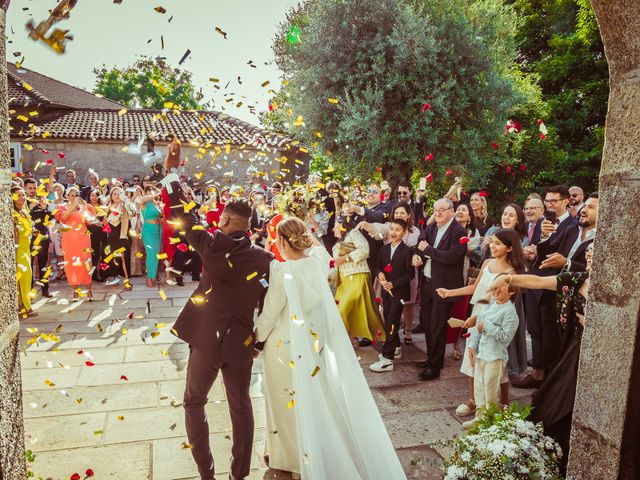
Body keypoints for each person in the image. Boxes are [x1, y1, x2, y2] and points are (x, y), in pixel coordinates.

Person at [256, 217, 407, 480]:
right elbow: (317, 249)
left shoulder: (281, 273)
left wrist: (255, 338)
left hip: (283, 345)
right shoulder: (316, 263)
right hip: (313, 341)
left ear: (280, 241)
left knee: (285, 400)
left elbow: (269, 315)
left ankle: (291, 458)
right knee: (312, 395)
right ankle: (314, 446)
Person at [162, 175, 273, 480]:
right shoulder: (266, 259)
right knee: (242, 408)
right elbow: (268, 303)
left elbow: (184, 218)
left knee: (194, 401)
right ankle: (239, 475)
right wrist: (258, 342)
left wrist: (171, 178)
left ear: (224, 219)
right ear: (249, 226)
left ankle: (207, 475)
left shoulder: (211, 246)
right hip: (241, 344)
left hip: (206, 343)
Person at [490, 243, 594, 473]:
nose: (589, 252)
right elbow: (538, 282)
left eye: (595, 249)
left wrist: (594, 326)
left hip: (594, 354)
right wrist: (508, 280)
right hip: (574, 349)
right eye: (589, 249)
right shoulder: (576, 278)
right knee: (555, 397)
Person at [437, 228, 528, 418]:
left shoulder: (513, 272)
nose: (492, 246)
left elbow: (506, 301)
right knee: (472, 359)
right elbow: (475, 287)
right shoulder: (486, 262)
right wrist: (450, 292)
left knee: (495, 361)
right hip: (478, 311)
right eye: (492, 242)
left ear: (510, 248)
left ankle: (503, 403)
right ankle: (474, 401)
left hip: (496, 317)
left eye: (498, 244)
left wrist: (482, 318)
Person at [514, 185, 578, 388]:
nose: (550, 204)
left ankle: (548, 382)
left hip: (552, 287)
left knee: (549, 335)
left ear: (566, 201)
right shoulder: (543, 223)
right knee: (534, 331)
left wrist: (542, 245)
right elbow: (538, 252)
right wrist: (536, 245)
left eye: (554, 201)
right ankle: (537, 374)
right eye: (547, 201)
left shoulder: (572, 225)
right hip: (535, 282)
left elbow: (559, 256)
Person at [413, 198, 467, 381]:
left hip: (445, 286)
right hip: (428, 282)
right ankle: (431, 358)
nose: (437, 213)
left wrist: (427, 250)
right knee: (426, 322)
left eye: (441, 210)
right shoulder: (433, 227)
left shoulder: (459, 231)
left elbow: (452, 257)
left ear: (451, 211)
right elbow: (421, 240)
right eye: (435, 210)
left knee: (437, 325)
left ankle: (435, 366)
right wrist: (418, 255)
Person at [357, 202, 421, 344]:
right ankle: (390, 336)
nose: (399, 215)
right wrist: (366, 225)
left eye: (402, 213)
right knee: (386, 306)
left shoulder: (415, 231)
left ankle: (408, 331)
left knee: (408, 304)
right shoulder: (388, 227)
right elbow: (377, 229)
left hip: (405, 273)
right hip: (387, 274)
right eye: (397, 213)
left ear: (409, 215)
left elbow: (415, 249)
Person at [465, 275, 519, 429]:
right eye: (494, 287)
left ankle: (490, 422)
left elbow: (505, 337)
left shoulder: (510, 313)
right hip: (482, 354)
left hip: (495, 357)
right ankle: (480, 417)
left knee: (491, 392)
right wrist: (472, 346)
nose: (495, 291)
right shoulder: (490, 305)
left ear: (511, 291)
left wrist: (487, 325)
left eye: (500, 288)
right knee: (479, 389)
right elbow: (478, 327)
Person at [369, 218, 415, 372]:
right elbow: (377, 266)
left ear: (404, 232)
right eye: (391, 229)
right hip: (386, 292)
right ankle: (395, 347)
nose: (393, 232)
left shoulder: (408, 251)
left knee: (393, 321)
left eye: (397, 230)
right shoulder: (383, 249)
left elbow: (410, 275)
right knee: (388, 318)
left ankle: (387, 358)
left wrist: (393, 284)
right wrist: (380, 273)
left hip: (399, 292)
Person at [331, 216, 384, 347]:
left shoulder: (353, 233)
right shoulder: (338, 243)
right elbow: (336, 265)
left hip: (358, 275)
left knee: (345, 308)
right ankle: (351, 339)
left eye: (335, 226)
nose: (333, 229)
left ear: (343, 225)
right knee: (343, 309)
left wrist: (345, 258)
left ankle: (346, 341)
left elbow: (364, 250)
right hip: (344, 280)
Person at [54, 186, 95, 301]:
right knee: (71, 264)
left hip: (83, 238)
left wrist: (85, 208)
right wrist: (72, 205)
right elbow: (63, 218)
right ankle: (75, 291)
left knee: (86, 262)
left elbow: (90, 221)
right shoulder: (62, 207)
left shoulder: (84, 207)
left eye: (76, 195)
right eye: (72, 195)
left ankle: (89, 291)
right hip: (69, 239)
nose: (74, 197)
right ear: (67, 197)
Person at [23, 178, 52, 298]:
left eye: (34, 188)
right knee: (29, 265)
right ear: (25, 188)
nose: (32, 190)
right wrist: (30, 206)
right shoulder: (21, 201)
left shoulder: (42, 199)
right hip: (28, 237)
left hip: (42, 237)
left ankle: (45, 290)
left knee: (43, 264)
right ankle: (30, 291)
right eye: (30, 188)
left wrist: (45, 208)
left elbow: (49, 219)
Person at [103, 186, 136, 289]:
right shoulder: (108, 207)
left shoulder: (125, 206)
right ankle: (115, 279)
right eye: (114, 194)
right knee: (114, 258)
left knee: (123, 258)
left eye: (119, 193)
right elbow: (104, 222)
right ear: (111, 196)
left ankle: (127, 280)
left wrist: (126, 202)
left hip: (122, 236)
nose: (117, 195)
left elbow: (134, 213)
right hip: (112, 236)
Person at [12, 186, 36, 316]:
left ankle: (22, 305)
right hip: (20, 250)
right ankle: (26, 307)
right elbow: (15, 235)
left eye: (23, 194)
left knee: (26, 278)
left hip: (27, 248)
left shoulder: (25, 211)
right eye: (20, 195)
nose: (23, 197)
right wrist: (14, 255)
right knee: (24, 278)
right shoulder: (13, 214)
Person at [138, 186, 163, 287]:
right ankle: (149, 278)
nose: (150, 194)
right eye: (148, 192)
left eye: (151, 191)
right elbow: (141, 199)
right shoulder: (144, 202)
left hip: (157, 229)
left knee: (156, 254)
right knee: (151, 253)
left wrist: (161, 219)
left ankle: (153, 276)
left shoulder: (156, 203)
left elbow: (161, 215)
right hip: (148, 230)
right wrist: (157, 193)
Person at [87, 189, 107, 282]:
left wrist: (104, 217)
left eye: (96, 195)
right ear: (89, 196)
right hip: (90, 233)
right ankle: (92, 273)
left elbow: (104, 223)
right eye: (92, 195)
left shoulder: (102, 207)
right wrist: (96, 222)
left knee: (100, 254)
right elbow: (86, 220)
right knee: (92, 254)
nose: (94, 198)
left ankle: (99, 272)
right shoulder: (86, 207)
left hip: (101, 233)